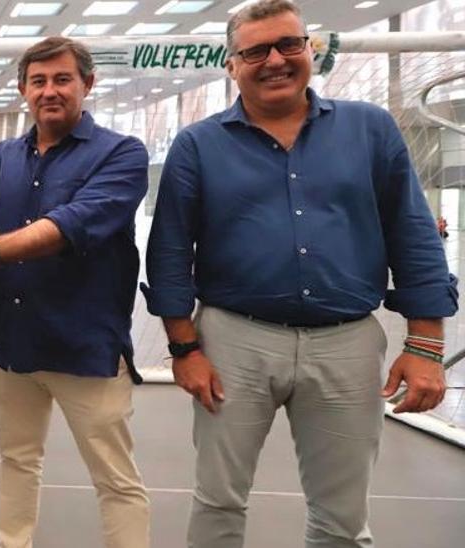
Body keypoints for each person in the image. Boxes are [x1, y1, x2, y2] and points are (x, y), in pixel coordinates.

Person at [142, 1, 456, 546]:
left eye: (288, 45)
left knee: (341, 519)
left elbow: (412, 234)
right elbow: (169, 252)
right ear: (232, 63)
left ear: (309, 49)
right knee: (218, 502)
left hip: (347, 344)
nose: (275, 61)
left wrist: (425, 344)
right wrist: (184, 348)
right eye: (255, 51)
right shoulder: (198, 145)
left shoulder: (370, 130)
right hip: (232, 344)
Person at [0, 36, 151, 548]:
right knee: (18, 460)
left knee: (115, 478)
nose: (50, 90)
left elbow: (69, 225)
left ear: (87, 84)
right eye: (38, 81)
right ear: (24, 89)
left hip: (85, 343)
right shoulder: (6, 154)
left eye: (62, 79)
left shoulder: (122, 154)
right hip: (12, 340)